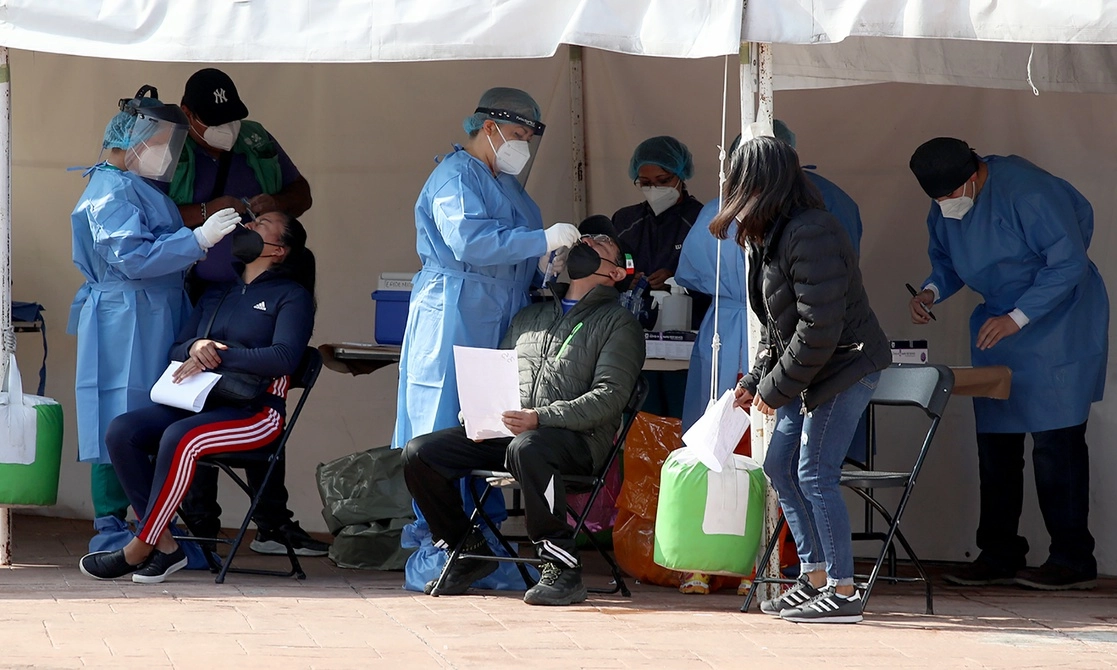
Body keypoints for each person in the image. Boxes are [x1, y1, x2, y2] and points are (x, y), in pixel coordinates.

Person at [392, 87, 580, 590]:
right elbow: (470, 242)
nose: (522, 145)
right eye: (516, 134)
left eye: (528, 137)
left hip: (503, 315)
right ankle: (442, 541)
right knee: (439, 423)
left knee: (489, 426)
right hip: (453, 308)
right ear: (487, 126)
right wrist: (541, 241)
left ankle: (484, 542)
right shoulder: (454, 178)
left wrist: (546, 263)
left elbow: (517, 254)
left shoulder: (512, 189)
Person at [402, 230, 645, 605]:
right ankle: (464, 548)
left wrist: (540, 417)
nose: (588, 242)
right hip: (514, 435)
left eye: (602, 243)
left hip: (574, 441)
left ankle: (561, 567)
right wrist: (478, 412)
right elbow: (497, 375)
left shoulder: (619, 323)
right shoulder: (530, 315)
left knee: (530, 446)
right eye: (586, 237)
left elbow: (610, 397)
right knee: (420, 452)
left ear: (616, 273)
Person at [908, 137, 1107, 591]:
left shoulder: (1028, 191)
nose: (944, 208)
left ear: (972, 175)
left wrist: (1018, 317)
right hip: (999, 324)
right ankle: (998, 550)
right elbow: (947, 261)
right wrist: (930, 291)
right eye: (936, 201)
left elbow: (1067, 262)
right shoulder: (948, 204)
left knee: (1057, 442)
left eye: (948, 197)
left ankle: (1073, 556)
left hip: (1059, 318)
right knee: (997, 444)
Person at [79, 211, 316, 584]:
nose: (247, 227)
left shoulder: (292, 296)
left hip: (255, 414)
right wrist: (197, 345)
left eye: (261, 223)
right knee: (121, 430)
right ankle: (169, 547)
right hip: (197, 402)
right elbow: (178, 348)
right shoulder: (217, 292)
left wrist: (218, 355)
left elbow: (285, 357)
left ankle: (141, 546)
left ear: (280, 250)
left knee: (181, 437)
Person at [713, 136, 890, 623]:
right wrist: (755, 380)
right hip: (812, 370)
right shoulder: (772, 233)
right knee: (781, 468)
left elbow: (820, 328)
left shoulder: (812, 232)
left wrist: (774, 391)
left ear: (757, 183)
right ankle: (812, 576)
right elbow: (778, 324)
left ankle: (844, 590)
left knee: (814, 473)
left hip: (845, 367)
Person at [156, 68, 321, 557]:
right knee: (199, 393)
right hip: (204, 288)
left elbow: (302, 192)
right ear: (189, 115)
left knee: (264, 393)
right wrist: (210, 209)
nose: (228, 128)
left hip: (268, 287)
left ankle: (271, 521)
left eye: (233, 117)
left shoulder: (254, 139)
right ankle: (202, 522)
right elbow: (153, 213)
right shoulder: (169, 146)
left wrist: (275, 204)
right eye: (215, 120)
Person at [68, 85, 240, 550]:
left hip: (155, 311)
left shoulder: (138, 187)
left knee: (154, 412)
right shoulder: (109, 191)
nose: (167, 154)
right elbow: (133, 258)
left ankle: (153, 519)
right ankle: (113, 525)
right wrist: (198, 239)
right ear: (135, 138)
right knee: (119, 415)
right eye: (161, 142)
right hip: (124, 316)